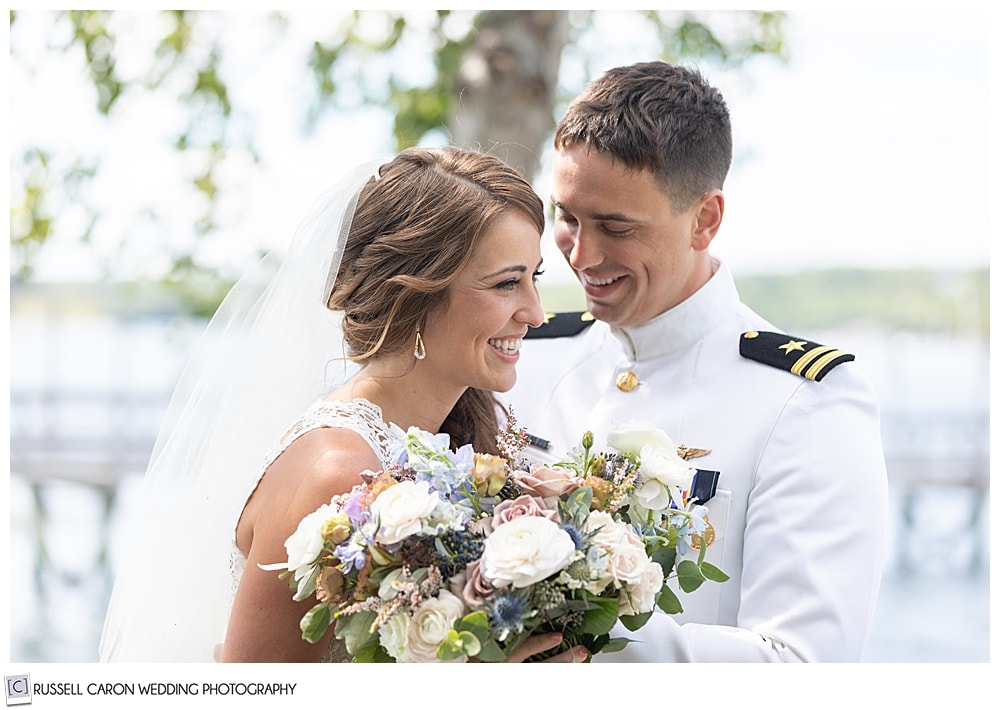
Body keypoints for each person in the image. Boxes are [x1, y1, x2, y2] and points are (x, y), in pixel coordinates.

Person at [99, 147, 587, 663]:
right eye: (507, 283)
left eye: (533, 277)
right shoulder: (335, 474)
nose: (535, 313)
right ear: (415, 295)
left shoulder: (461, 445)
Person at [503, 61, 889, 662]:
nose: (581, 253)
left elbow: (804, 665)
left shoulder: (806, 402)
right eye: (568, 217)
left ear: (704, 219)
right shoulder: (527, 358)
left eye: (615, 226)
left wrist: (584, 640)